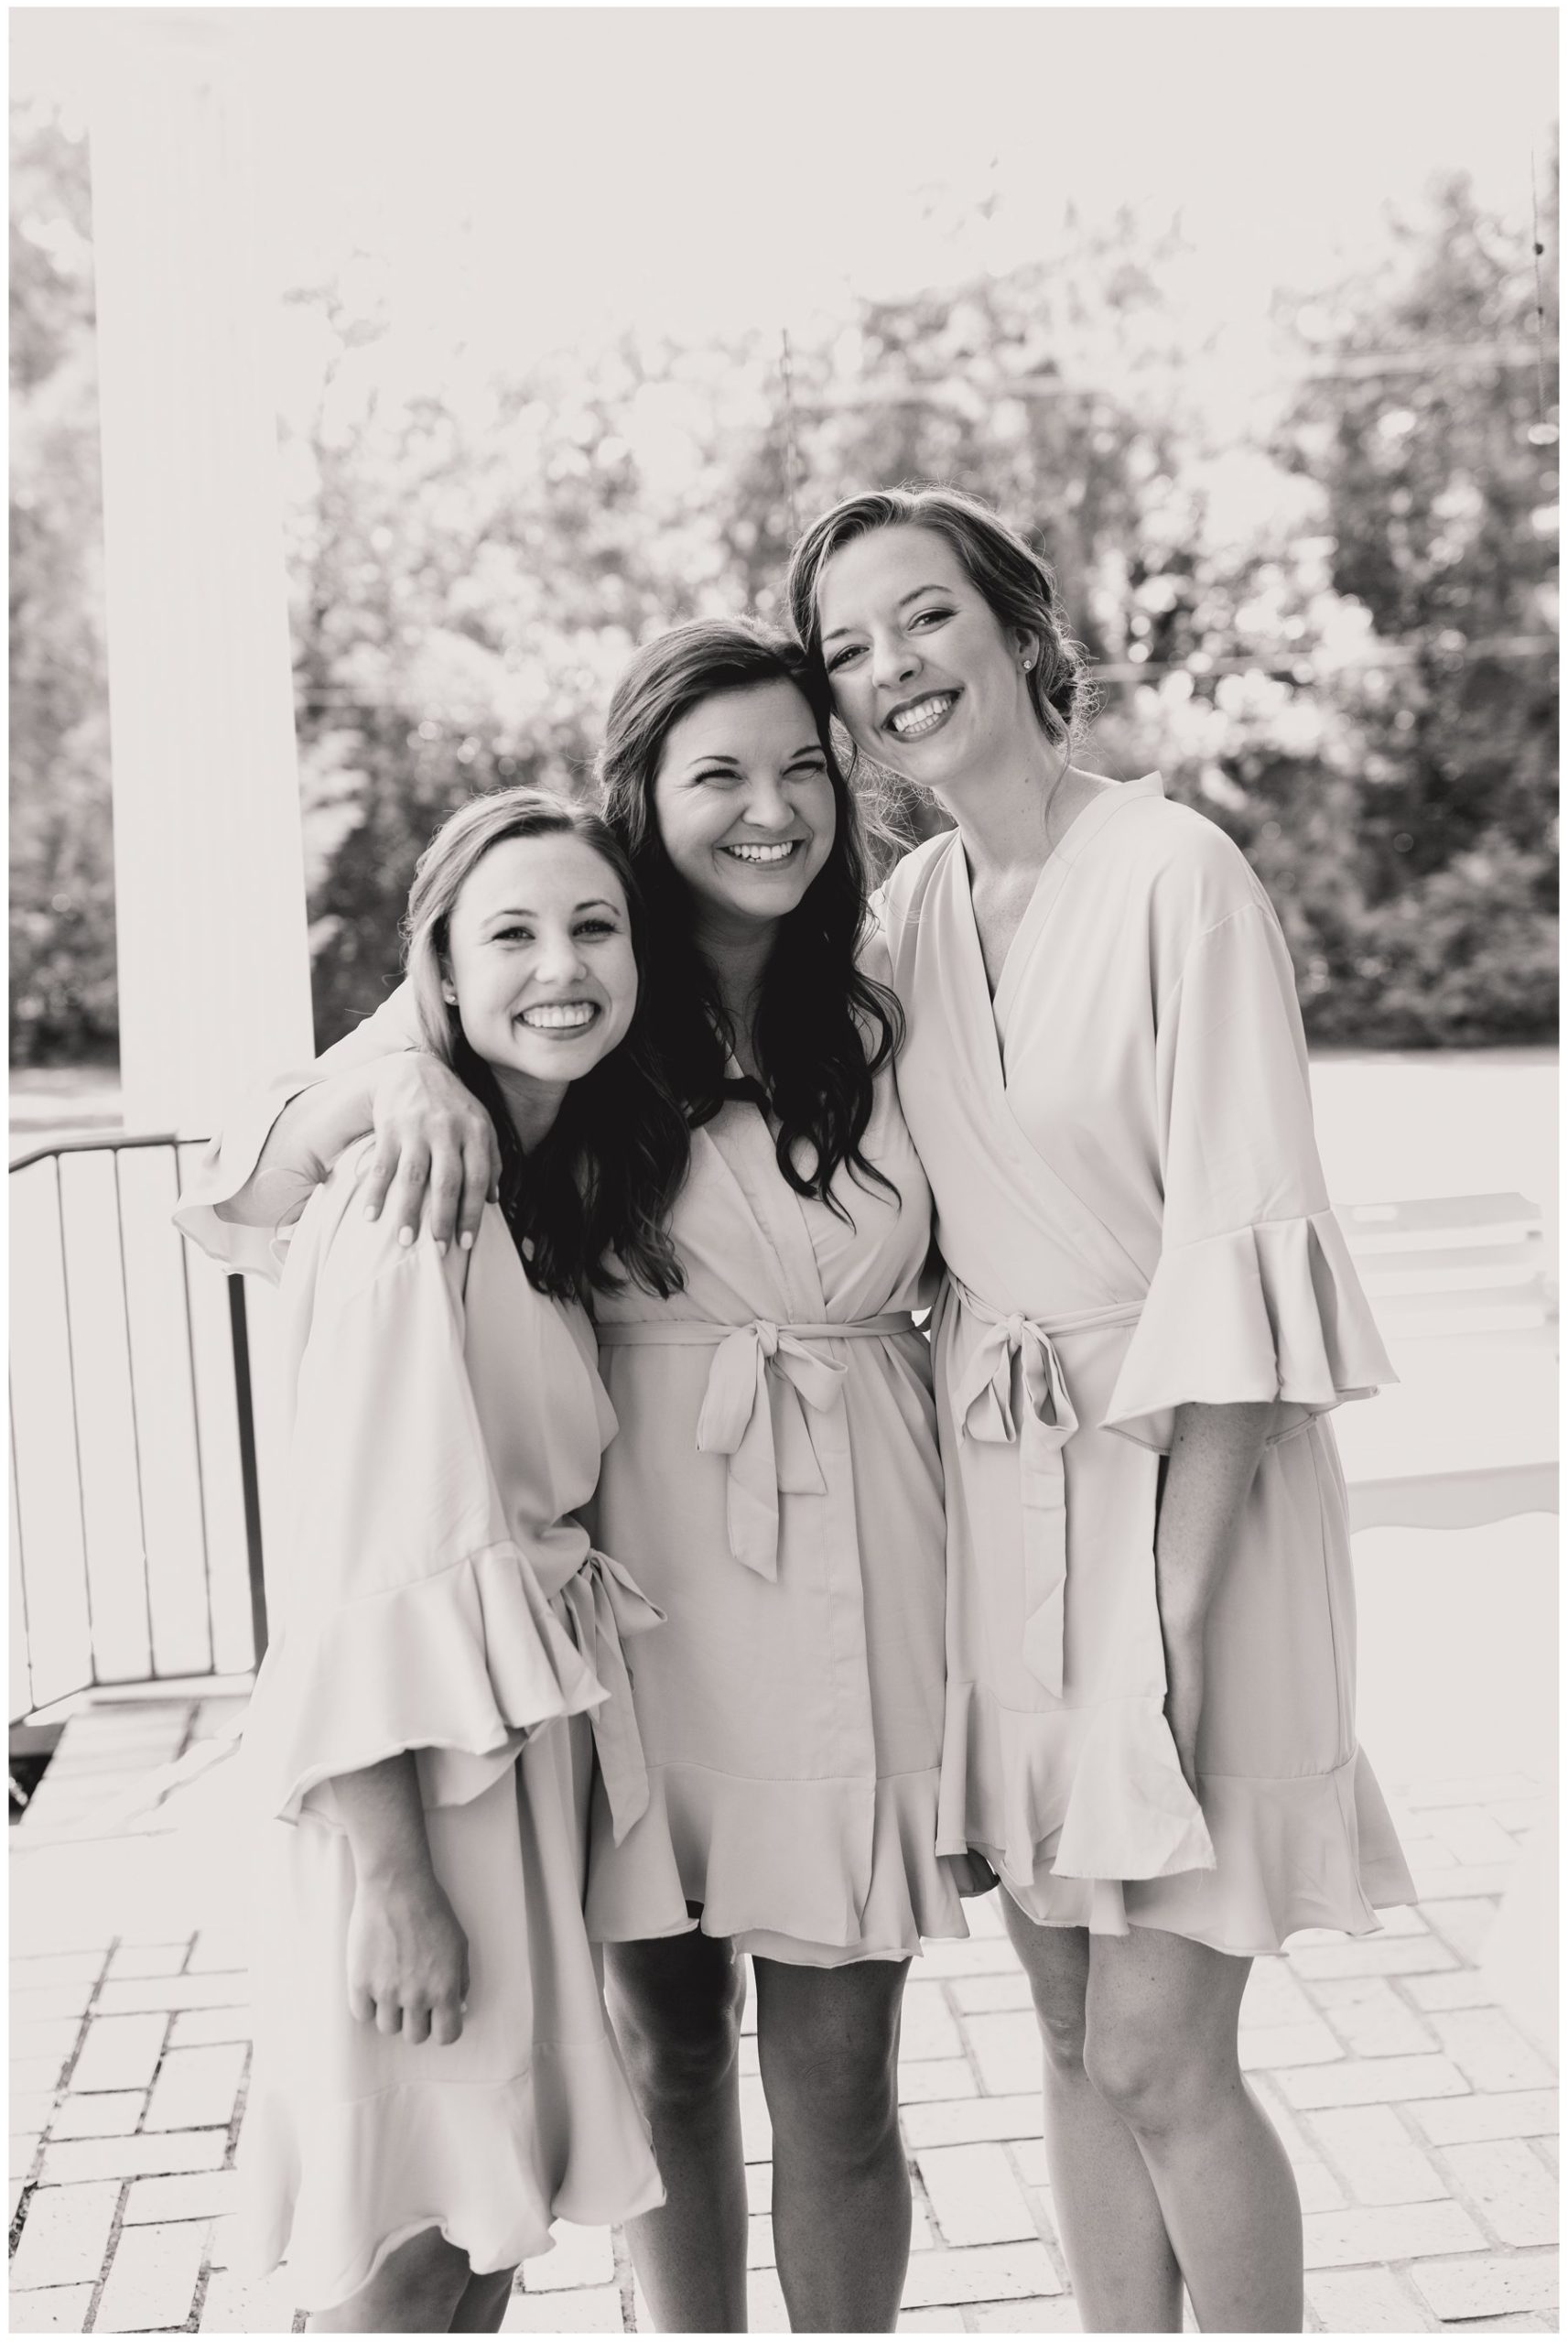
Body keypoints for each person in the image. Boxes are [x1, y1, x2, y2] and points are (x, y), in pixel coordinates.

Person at [181, 623, 975, 2334]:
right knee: (659, 2047)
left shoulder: (898, 990)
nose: (766, 811)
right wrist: (396, 1069)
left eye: (800, 769)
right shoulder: (580, 966)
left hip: (859, 1584)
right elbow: (268, 1165)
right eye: (715, 776)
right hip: (632, 1608)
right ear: (643, 801)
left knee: (842, 2082)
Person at [785, 485, 1416, 2334]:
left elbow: (1239, 1256)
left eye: (920, 617)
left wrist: (1170, 1611)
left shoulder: (1172, 877)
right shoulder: (904, 909)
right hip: (1002, 1500)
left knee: (1157, 2042)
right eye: (845, 649)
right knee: (1067, 2032)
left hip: (1184, 1496)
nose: (891, 670)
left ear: (1014, 622)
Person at [175, 790, 679, 2330]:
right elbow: (345, 1573)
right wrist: (396, 1885)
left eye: (593, 926)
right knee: (408, 2256)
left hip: (501, 1771)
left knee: (473, 2233)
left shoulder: (530, 1186)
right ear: (440, 978)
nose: (561, 966)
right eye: (510, 934)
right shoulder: (409, 1211)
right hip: (409, 1791)